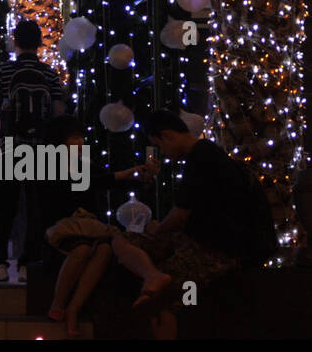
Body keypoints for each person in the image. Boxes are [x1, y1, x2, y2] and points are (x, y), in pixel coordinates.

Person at [110, 111, 278, 337]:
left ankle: (155, 283)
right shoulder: (208, 154)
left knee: (163, 302)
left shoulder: (201, 157)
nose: (164, 154)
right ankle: (153, 276)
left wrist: (158, 229)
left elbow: (181, 212)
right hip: (208, 239)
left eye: (159, 145)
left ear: (167, 135)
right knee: (122, 241)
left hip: (218, 247)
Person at [37, 116, 154, 336]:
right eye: (74, 138)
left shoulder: (84, 163)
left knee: (104, 250)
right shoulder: (47, 164)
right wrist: (127, 175)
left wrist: (140, 179)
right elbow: (95, 180)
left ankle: (74, 308)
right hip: (62, 227)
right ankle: (58, 303)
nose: (80, 142)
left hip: (88, 226)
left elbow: (106, 180)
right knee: (82, 249)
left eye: (81, 137)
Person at [0, 19, 68, 283]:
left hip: (10, 147)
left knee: (4, 208)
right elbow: (59, 114)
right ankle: (29, 264)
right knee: (36, 208)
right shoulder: (49, 73)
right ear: (39, 43)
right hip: (40, 149)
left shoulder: (3, 70)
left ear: (15, 42)